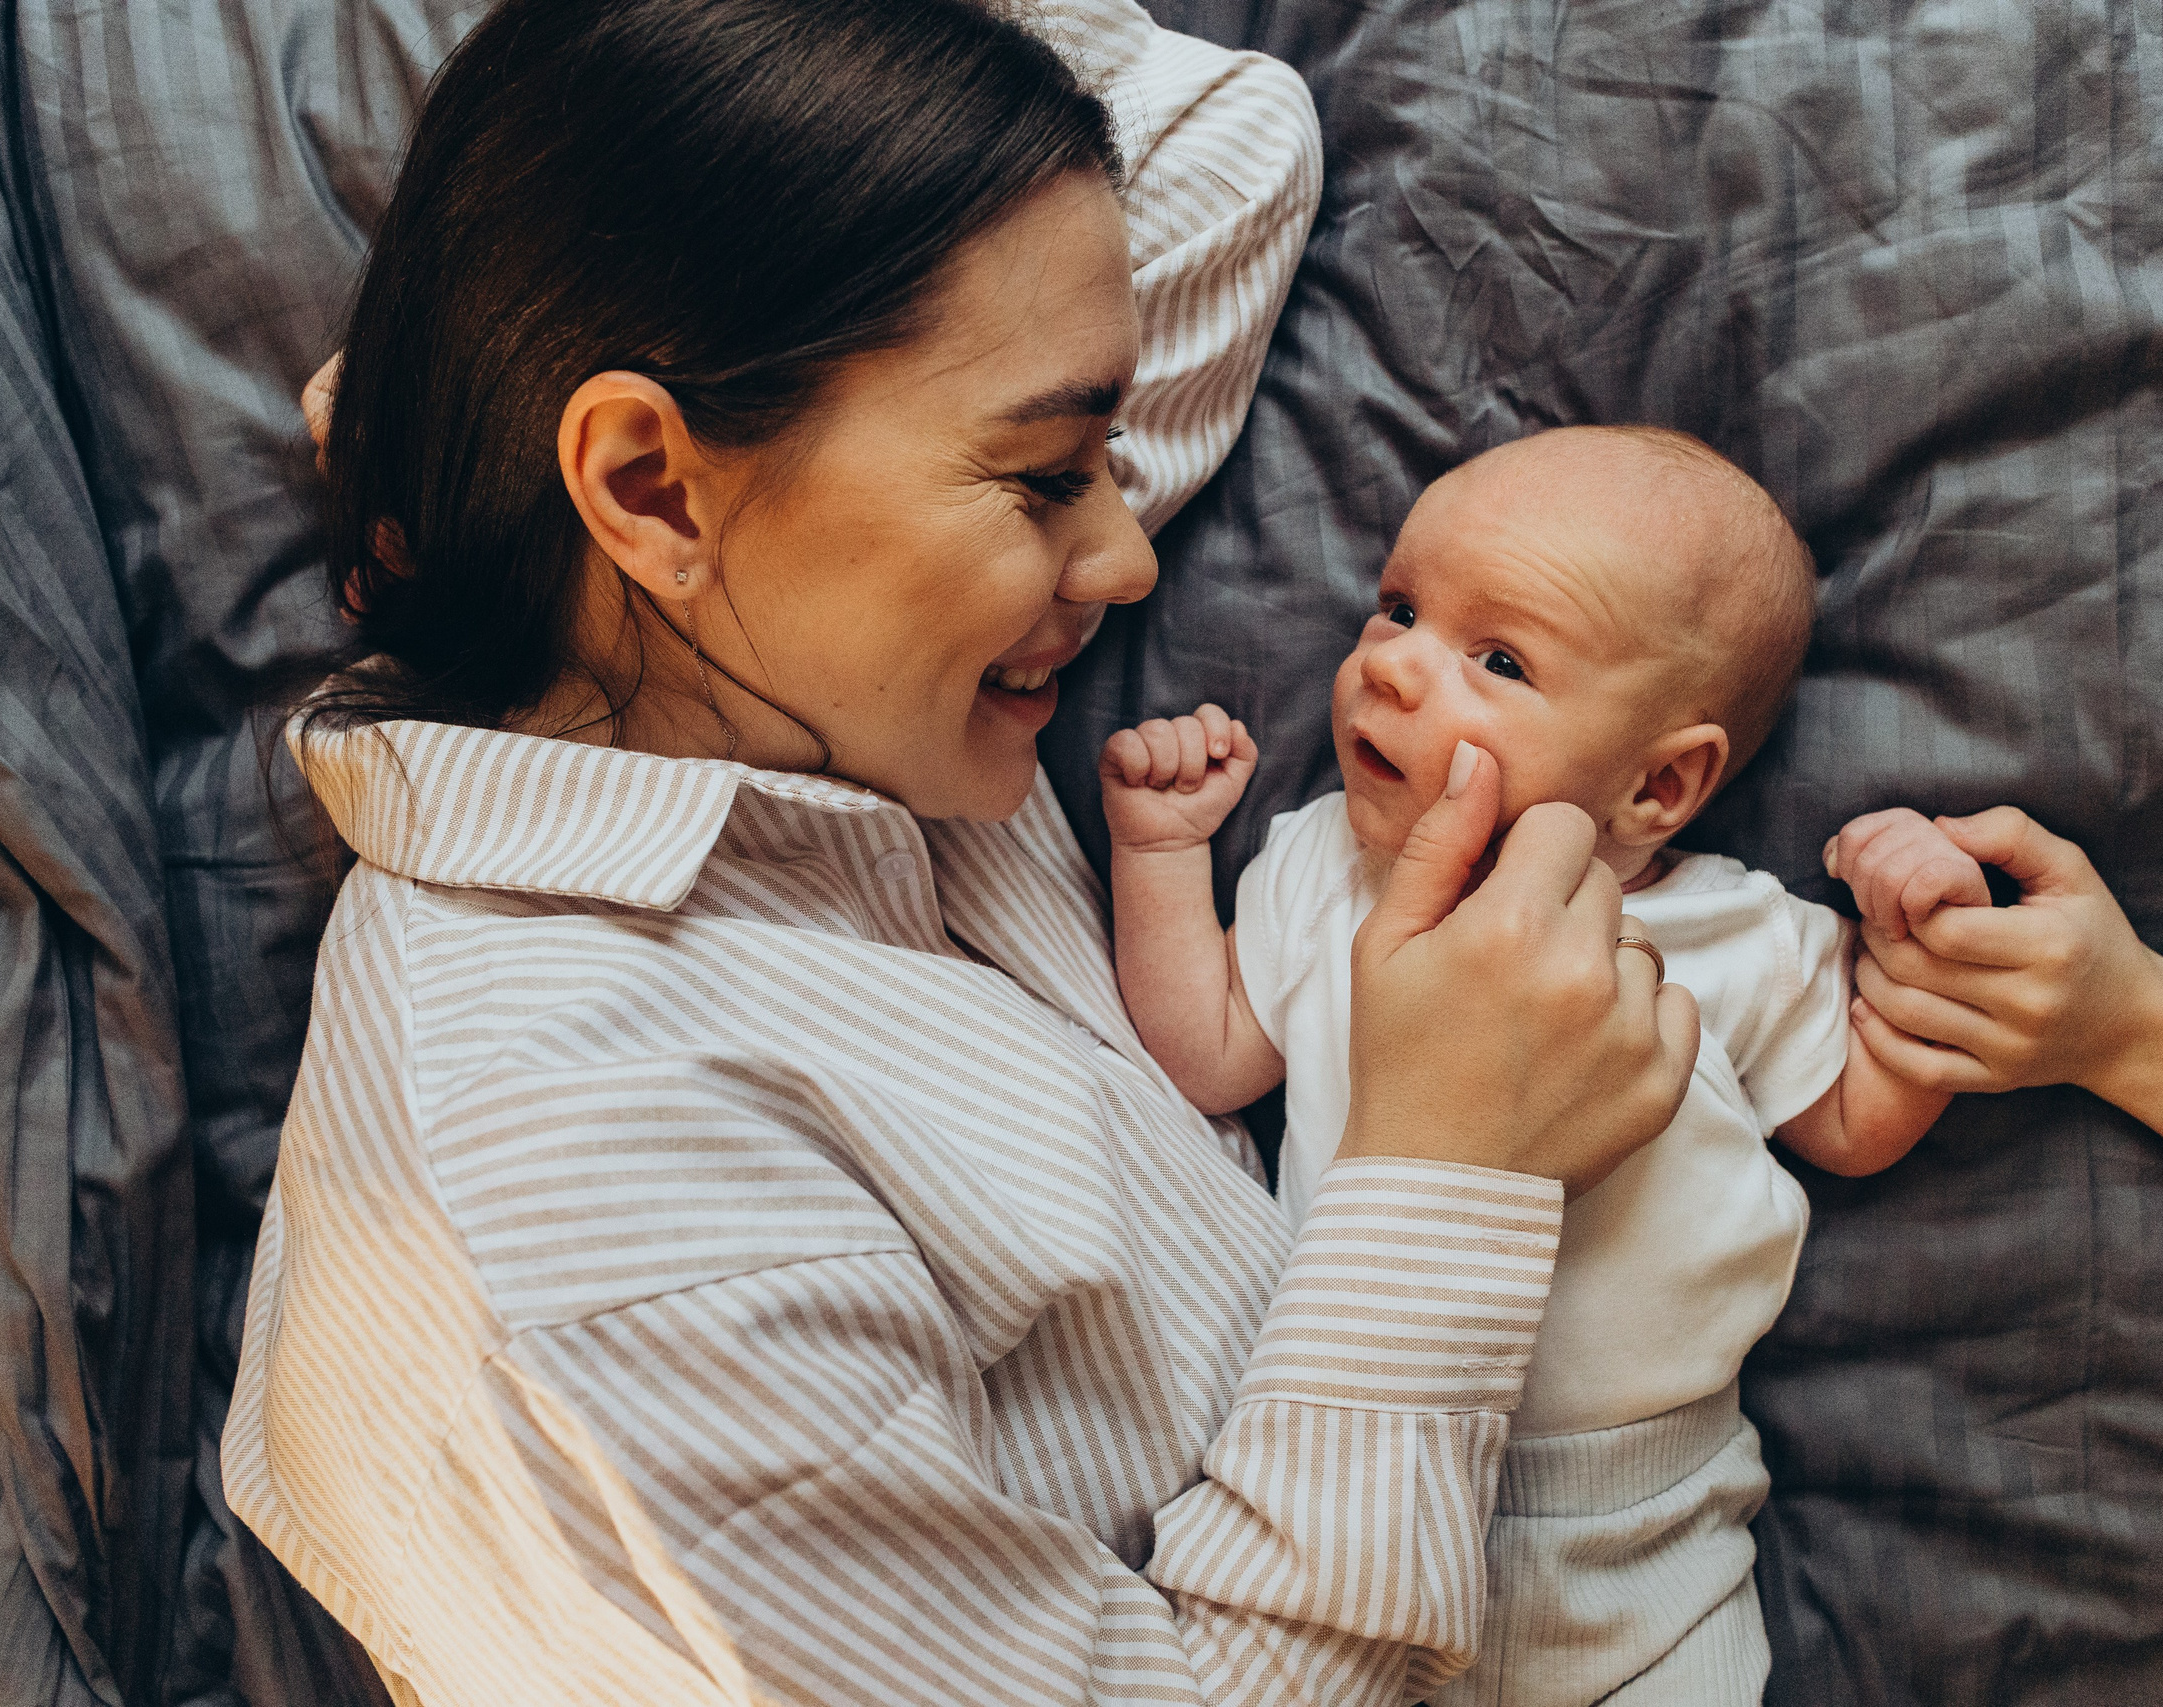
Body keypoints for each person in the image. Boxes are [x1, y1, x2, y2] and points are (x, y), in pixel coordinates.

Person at [221, 2, 1708, 1704]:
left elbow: (1231, 140)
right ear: (652, 490)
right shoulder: (583, 1247)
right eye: (1047, 478)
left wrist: (449, 384)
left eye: (1106, 458)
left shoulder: (803, 682)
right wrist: (1453, 1167)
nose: (1126, 553)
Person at [1100, 427, 2001, 1705]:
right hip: (1358, 1476)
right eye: (1398, 607)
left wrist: (1919, 944)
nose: (1392, 666)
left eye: (1499, 659)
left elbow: (1854, 1122)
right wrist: (1159, 856)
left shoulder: (1729, 933)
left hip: (1651, 1519)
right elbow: (1204, 1057)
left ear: (1658, 785)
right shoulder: (1318, 871)